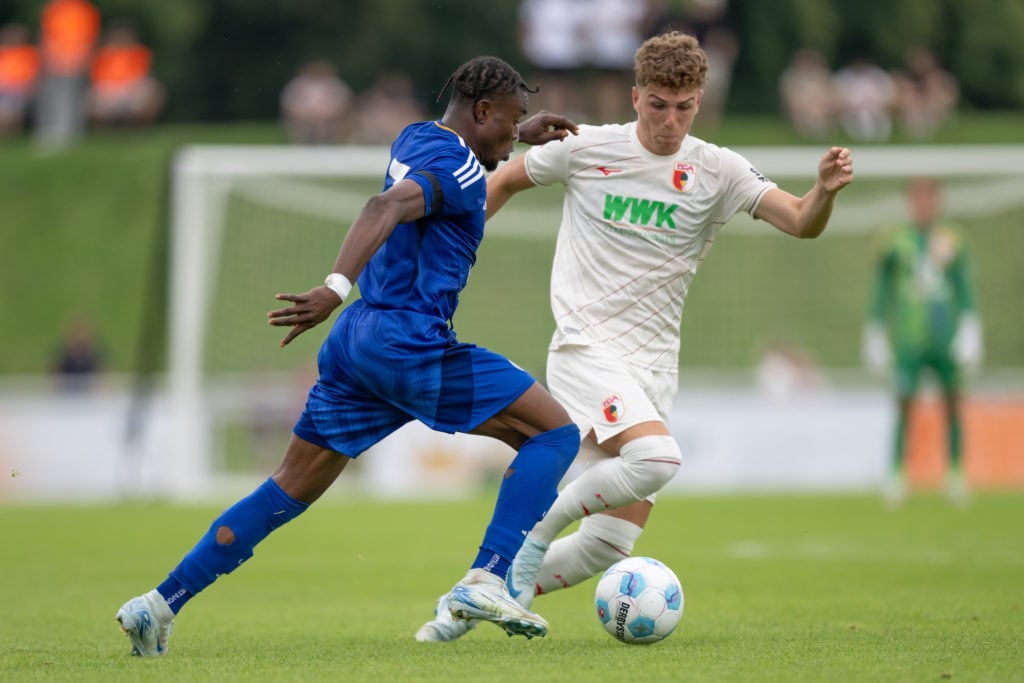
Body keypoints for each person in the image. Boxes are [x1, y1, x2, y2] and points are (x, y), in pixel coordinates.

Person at [114, 55, 581, 657]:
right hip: (408, 341)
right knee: (554, 434)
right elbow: (382, 207)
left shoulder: (416, 137)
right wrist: (334, 287)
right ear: (481, 111)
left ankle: (157, 604)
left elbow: (449, 184)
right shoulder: (461, 168)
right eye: (508, 121)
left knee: (290, 485)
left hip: (359, 343)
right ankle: (485, 578)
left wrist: (521, 131)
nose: (510, 134)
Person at [416, 31, 853, 642]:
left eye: (684, 107)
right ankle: (531, 545)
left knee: (607, 544)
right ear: (635, 96)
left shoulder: (717, 169)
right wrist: (450, 240)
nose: (670, 121)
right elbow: (505, 180)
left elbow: (802, 222)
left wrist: (824, 193)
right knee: (659, 458)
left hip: (652, 368)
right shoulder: (587, 147)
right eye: (657, 105)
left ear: (699, 101)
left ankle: (462, 609)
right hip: (585, 347)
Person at [862, 177, 981, 507]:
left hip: (945, 334)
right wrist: (874, 328)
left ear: (937, 201)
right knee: (903, 402)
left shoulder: (953, 239)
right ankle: (897, 473)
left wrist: (971, 326)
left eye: (930, 199)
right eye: (919, 199)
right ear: (911, 202)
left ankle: (956, 473)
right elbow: (882, 288)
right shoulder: (895, 242)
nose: (924, 205)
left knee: (954, 401)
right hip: (909, 336)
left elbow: (964, 284)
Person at [33, 0, 100, 151]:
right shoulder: (53, 9)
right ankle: (49, 131)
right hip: (54, 59)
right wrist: (46, 56)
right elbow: (46, 34)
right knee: (51, 96)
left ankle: (70, 133)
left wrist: (83, 57)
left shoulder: (84, 9)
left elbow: (90, 35)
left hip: (76, 58)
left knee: (73, 98)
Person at [88, 20, 165, 129]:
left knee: (153, 91)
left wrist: (126, 90)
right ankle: (105, 131)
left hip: (132, 90)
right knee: (92, 98)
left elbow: (141, 75)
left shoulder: (139, 53)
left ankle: (139, 127)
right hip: (109, 91)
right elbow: (98, 79)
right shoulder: (103, 55)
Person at [891, 47, 959, 141]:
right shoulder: (903, 81)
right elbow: (894, 104)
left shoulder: (941, 80)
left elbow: (949, 101)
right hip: (911, 117)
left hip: (935, 117)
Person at [280, 59, 353, 144]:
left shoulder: (335, 85)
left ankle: (325, 142)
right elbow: (289, 103)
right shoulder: (297, 84)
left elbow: (343, 103)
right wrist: (305, 112)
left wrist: (324, 113)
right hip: (303, 116)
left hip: (329, 117)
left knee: (322, 124)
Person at [779, 48, 836, 142]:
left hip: (820, 108)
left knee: (816, 112)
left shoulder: (823, 75)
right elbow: (790, 98)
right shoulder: (790, 77)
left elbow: (830, 95)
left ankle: (818, 131)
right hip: (801, 109)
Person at [0, 23, 40, 135]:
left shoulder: (29, 53)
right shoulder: (2, 53)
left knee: (9, 106)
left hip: (21, 91)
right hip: (4, 90)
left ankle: (10, 132)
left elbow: (34, 76)